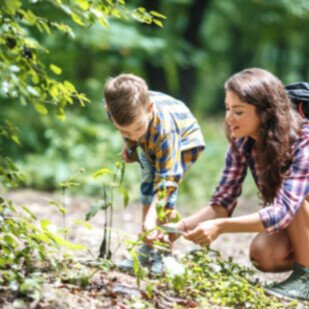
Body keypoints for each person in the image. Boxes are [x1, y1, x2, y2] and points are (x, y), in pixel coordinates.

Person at [167, 68, 309, 300]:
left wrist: (221, 226)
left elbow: (283, 212)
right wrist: (178, 229)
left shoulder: (304, 141)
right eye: (227, 109)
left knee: (296, 198)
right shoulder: (243, 144)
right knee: (264, 254)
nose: (229, 118)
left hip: (298, 208)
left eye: (239, 111)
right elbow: (222, 203)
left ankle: (306, 280)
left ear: (266, 113)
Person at [103, 73, 205, 273]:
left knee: (164, 193)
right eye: (125, 131)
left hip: (184, 142)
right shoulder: (116, 110)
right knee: (147, 185)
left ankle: (163, 252)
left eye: (137, 128)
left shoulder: (165, 131)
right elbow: (134, 131)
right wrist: (130, 143)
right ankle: (147, 246)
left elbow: (167, 182)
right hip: (149, 142)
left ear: (149, 110)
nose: (133, 134)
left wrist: (150, 220)